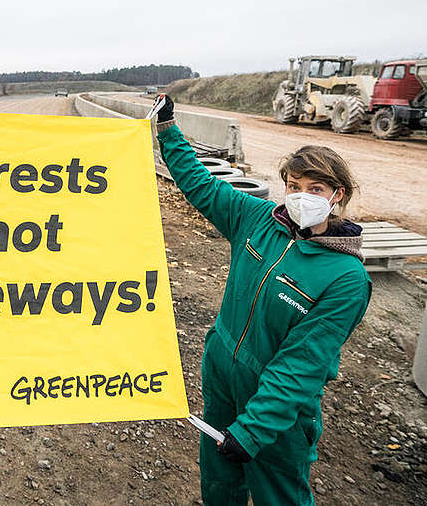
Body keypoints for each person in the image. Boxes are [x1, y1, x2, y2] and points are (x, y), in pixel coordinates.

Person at [154, 95, 371, 505]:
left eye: (315, 188)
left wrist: (254, 429)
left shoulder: (346, 278)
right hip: (222, 375)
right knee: (219, 479)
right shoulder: (256, 219)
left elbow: (302, 365)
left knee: (279, 492)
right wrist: (168, 129)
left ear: (337, 195)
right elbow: (200, 183)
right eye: (293, 186)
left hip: (278, 410)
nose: (300, 195)